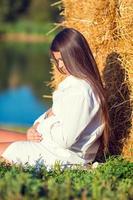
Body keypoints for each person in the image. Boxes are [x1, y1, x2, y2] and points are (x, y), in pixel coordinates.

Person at [0, 28, 111, 168]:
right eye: (57, 60)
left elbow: (65, 140)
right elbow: (52, 114)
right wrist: (36, 126)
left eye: (63, 59)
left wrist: (46, 124)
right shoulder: (75, 84)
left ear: (76, 55)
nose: (60, 65)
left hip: (60, 156)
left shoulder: (82, 91)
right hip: (49, 145)